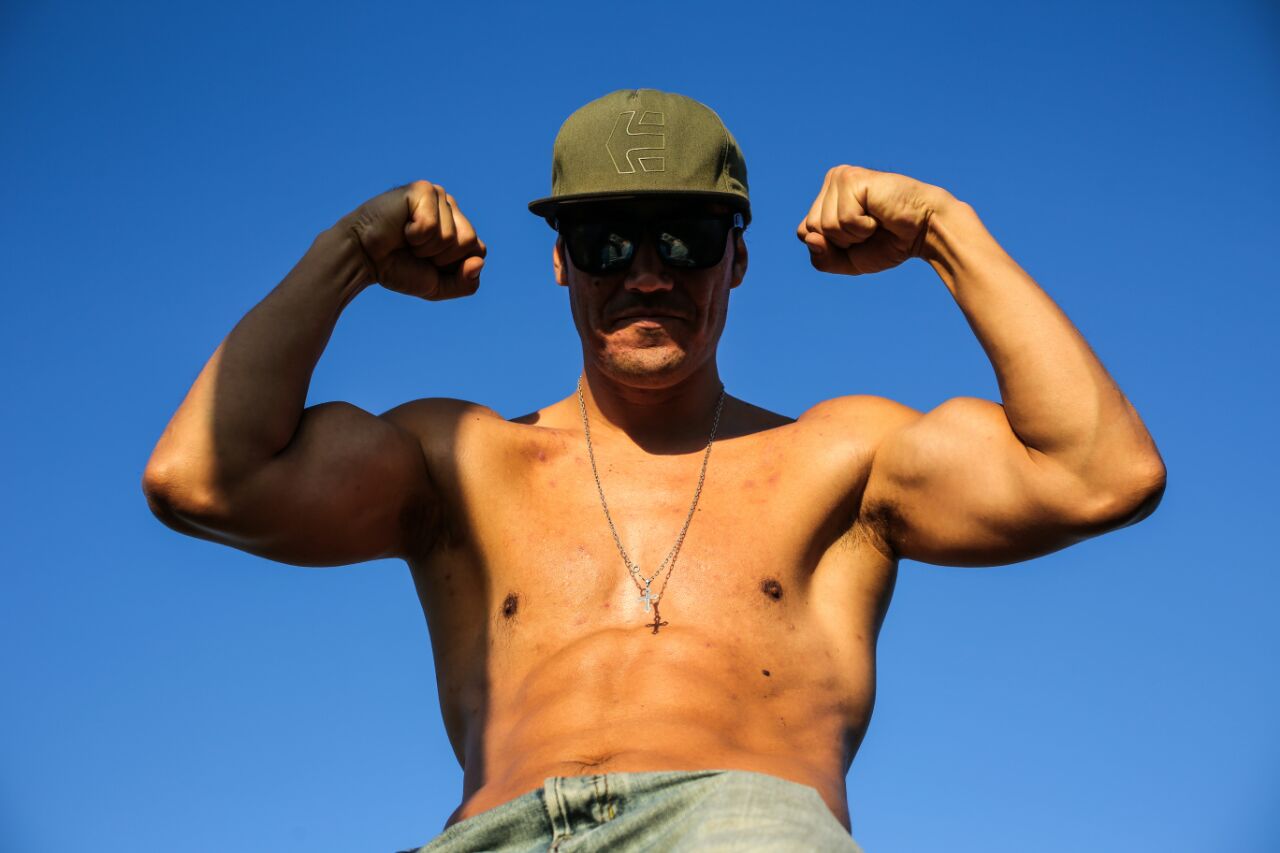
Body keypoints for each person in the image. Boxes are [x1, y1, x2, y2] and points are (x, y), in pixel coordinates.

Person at [141, 88, 1167, 852]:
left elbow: (1100, 473)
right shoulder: (461, 460)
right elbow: (200, 479)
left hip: (736, 824)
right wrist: (350, 253)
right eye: (604, 241)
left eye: (685, 239)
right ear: (560, 260)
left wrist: (943, 226)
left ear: (737, 260)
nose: (645, 273)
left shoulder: (840, 459)